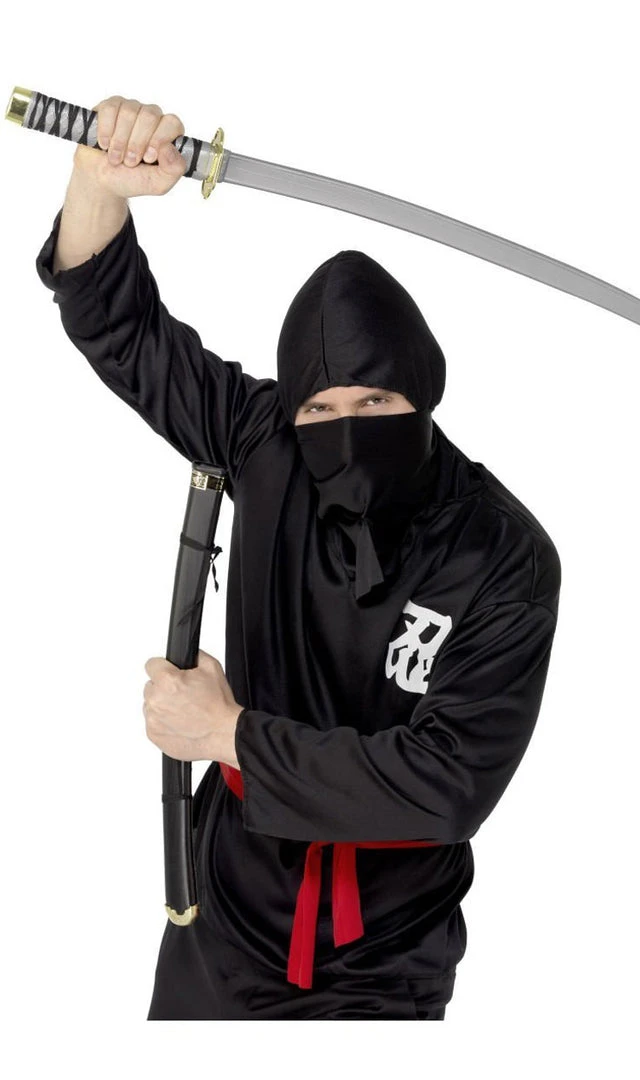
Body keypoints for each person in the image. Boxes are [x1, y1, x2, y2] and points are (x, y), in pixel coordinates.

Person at [36, 96, 561, 1021]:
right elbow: (120, 330)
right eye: (319, 409)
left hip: (384, 956)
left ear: (423, 390)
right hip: (221, 911)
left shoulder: (502, 554)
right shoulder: (264, 445)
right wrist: (97, 183)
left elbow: (445, 787)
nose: (343, 430)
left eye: (375, 403)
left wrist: (224, 734)